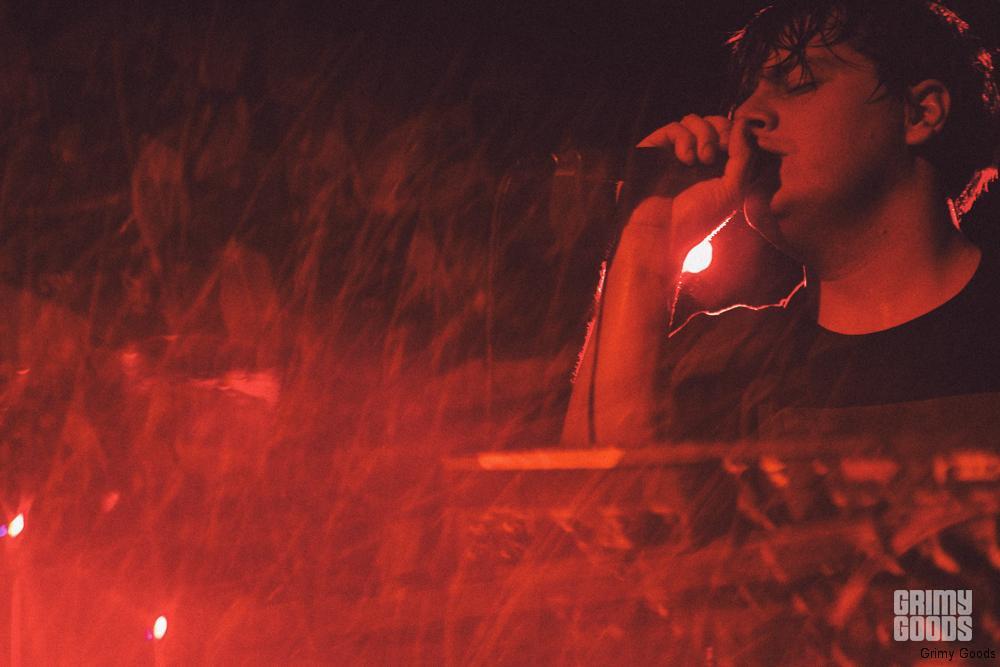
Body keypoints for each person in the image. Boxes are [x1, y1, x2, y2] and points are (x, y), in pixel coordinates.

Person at [561, 0, 1000, 448]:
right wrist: (648, 240)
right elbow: (598, 489)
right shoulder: (718, 364)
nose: (745, 116)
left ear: (920, 113)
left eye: (798, 84)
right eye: (745, 96)